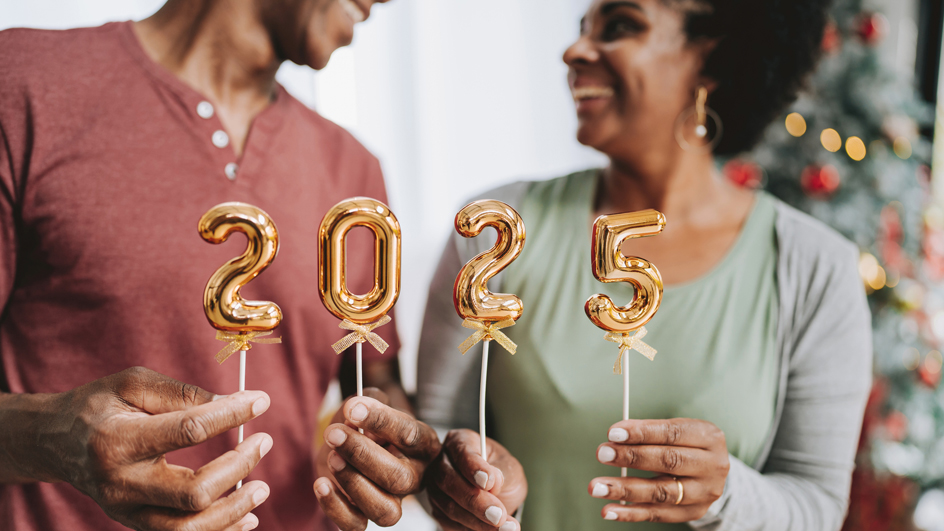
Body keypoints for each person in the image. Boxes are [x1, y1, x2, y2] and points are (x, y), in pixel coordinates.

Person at [417, 0, 872, 530]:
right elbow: (436, 437)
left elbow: (816, 508)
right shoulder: (494, 232)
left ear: (712, 57)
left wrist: (722, 496)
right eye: (580, 29)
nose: (573, 51)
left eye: (619, 26)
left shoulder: (815, 270)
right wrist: (476, 487)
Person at [0, 1, 447, 531]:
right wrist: (52, 438)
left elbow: (373, 383)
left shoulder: (353, 168)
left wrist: (389, 449)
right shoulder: (22, 80)